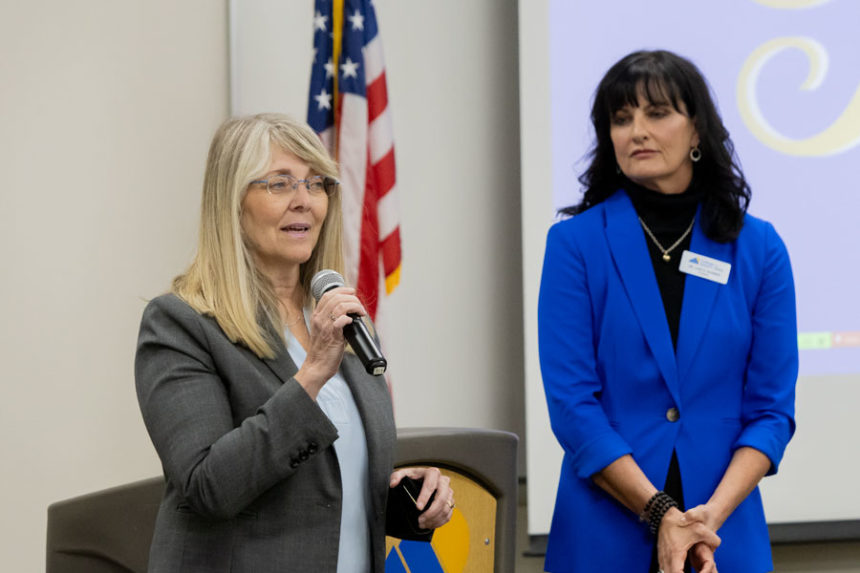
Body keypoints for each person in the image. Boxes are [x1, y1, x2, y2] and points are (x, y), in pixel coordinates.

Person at [135, 113, 453, 572]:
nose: (305, 201)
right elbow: (208, 487)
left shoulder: (339, 320)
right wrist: (311, 374)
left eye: (316, 184)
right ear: (233, 202)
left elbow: (322, 490)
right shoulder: (180, 325)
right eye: (280, 184)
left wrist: (409, 501)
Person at [538, 50, 797, 572]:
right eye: (621, 117)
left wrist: (705, 521)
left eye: (656, 113)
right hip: (606, 532)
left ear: (697, 131)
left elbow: (771, 411)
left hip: (722, 534)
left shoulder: (759, 249)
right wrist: (661, 513)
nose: (636, 130)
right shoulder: (575, 245)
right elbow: (571, 404)